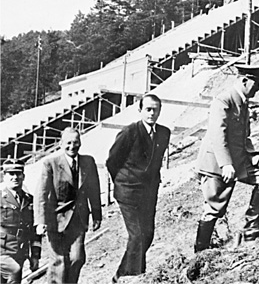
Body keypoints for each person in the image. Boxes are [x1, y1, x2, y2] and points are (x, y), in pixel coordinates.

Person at [194, 64, 259, 253]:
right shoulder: (224, 101)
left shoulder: (244, 102)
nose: (258, 88)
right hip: (216, 164)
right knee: (214, 208)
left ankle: (251, 228)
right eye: (255, 83)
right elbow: (217, 136)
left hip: (237, 163)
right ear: (244, 80)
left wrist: (253, 156)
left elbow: (244, 136)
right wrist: (226, 164)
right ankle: (200, 252)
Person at [106, 94, 171, 283]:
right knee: (137, 235)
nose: (152, 113)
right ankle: (135, 277)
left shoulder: (164, 133)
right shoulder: (129, 132)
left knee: (148, 234)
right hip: (128, 191)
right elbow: (112, 161)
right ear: (140, 110)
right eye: (148, 109)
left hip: (149, 192)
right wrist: (123, 181)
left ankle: (120, 275)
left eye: (155, 109)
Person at [34, 127, 102, 284]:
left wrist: (97, 215)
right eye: (68, 143)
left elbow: (94, 189)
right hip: (55, 221)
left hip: (78, 220)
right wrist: (40, 221)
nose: (72, 146)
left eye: (76, 142)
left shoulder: (88, 162)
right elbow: (41, 194)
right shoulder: (51, 164)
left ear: (81, 143)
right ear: (60, 144)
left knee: (77, 258)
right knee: (59, 262)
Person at [0, 158, 41, 284]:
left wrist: (35, 256)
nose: (15, 177)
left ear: (23, 176)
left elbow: (34, 231)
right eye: (11, 174)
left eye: (18, 173)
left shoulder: (29, 200)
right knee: (14, 271)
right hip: (2, 250)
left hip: (20, 251)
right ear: (4, 176)